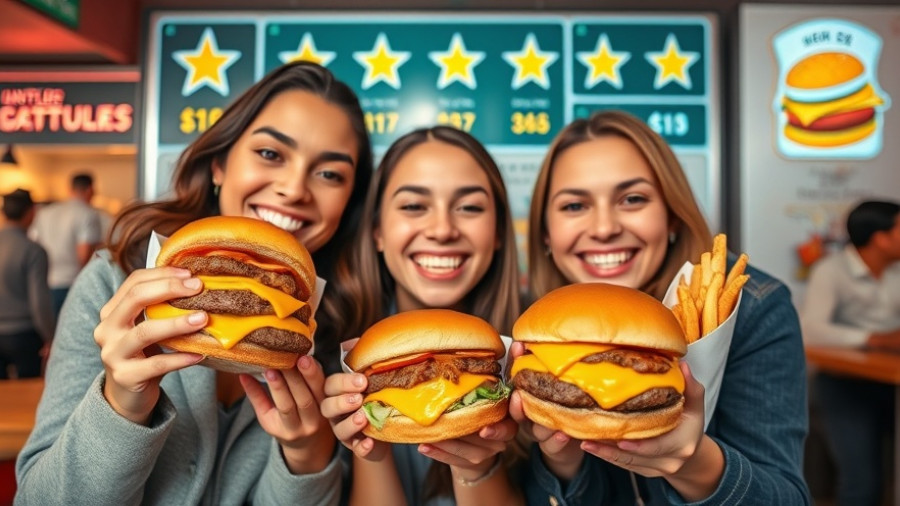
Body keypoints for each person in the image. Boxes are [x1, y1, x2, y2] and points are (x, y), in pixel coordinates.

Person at [15, 61, 373, 505]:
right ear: (219, 164)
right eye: (270, 153)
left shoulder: (339, 336)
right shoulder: (114, 283)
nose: (295, 189)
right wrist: (121, 405)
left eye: (330, 174)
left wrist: (306, 454)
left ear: (349, 202)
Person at [516, 110, 810, 505]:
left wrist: (696, 465)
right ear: (546, 234)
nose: (604, 228)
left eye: (632, 199)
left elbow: (789, 498)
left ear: (672, 215)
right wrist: (563, 463)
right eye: (574, 206)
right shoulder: (531, 323)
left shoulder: (751, 307)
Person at [319, 126, 524, 506]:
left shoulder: (530, 356)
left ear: (497, 232)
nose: (442, 230)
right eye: (414, 206)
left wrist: (476, 469)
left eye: (469, 207)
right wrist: (370, 446)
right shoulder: (328, 348)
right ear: (377, 231)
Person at [799, 200, 900, 506]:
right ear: (881, 238)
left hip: (892, 383)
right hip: (844, 384)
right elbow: (810, 330)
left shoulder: (895, 271)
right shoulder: (831, 270)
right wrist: (874, 339)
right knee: (861, 482)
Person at [0, 189, 56, 378]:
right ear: (32, 212)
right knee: (28, 390)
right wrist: (50, 337)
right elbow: (39, 301)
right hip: (24, 333)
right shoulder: (33, 250)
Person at [30, 172, 103, 316]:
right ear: (90, 190)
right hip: (72, 283)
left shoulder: (45, 212)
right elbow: (84, 255)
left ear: (70, 189)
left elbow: (33, 243)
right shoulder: (88, 214)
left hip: (45, 282)